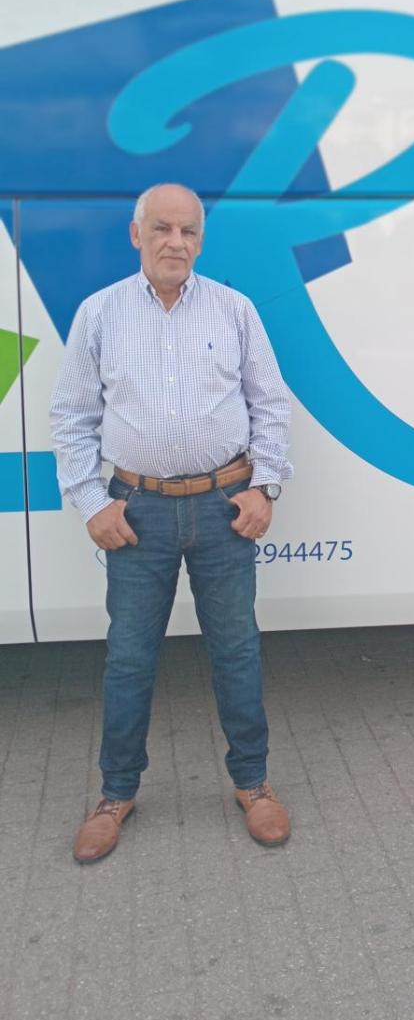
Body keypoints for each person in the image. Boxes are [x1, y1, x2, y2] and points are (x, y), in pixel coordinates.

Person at [50, 183, 293, 863]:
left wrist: (265, 487)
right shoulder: (100, 314)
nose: (175, 243)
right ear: (137, 235)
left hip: (224, 508)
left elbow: (270, 404)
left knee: (236, 651)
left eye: (188, 231)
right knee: (130, 657)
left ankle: (253, 783)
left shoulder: (234, 310)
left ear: (200, 242)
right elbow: (71, 417)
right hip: (139, 512)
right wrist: (91, 503)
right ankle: (116, 793)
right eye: (162, 228)